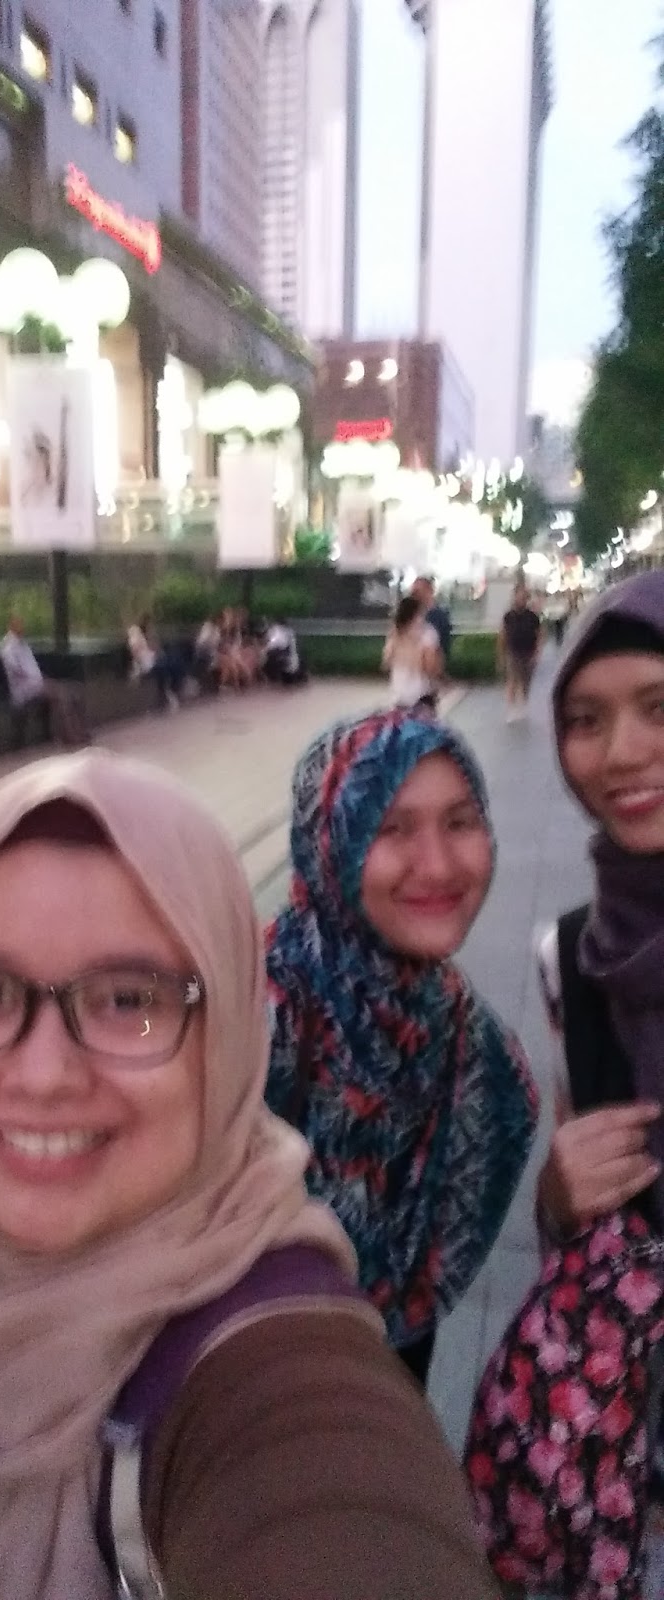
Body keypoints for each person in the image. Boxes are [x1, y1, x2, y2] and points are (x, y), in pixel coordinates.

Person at [0, 751, 499, 1600]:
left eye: (129, 1000)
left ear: (226, 1042)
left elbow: (342, 1514)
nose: (43, 1075)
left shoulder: (272, 1375)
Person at [266, 710, 538, 1386]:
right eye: (391, 828)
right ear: (330, 842)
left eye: (460, 822)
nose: (438, 865)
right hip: (246, 1386)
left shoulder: (466, 1034)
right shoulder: (248, 1002)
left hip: (393, 1374)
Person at [528, 570, 664, 1594]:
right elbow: (570, 1211)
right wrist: (558, 1191)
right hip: (636, 1426)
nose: (620, 752)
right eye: (586, 719)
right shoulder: (568, 956)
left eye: (658, 707)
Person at [0, 616, 91, 747]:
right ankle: (70, 736)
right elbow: (17, 671)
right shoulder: (8, 649)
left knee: (75, 691)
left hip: (37, 683)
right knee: (61, 695)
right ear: (10, 627)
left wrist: (42, 679)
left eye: (22, 624)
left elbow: (31, 667)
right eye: (18, 625)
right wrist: (37, 680)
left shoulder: (23, 644)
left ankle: (79, 730)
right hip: (25, 690)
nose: (22, 628)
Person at [382, 593, 443, 709]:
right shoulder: (427, 632)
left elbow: (386, 663)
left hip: (399, 695)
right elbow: (430, 668)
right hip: (421, 695)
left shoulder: (394, 634)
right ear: (417, 614)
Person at [498, 580, 543, 721]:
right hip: (513, 651)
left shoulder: (532, 616)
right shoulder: (508, 616)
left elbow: (539, 634)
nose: (521, 599)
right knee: (512, 680)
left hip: (528, 652)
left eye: (523, 597)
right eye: (518, 596)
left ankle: (523, 705)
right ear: (514, 597)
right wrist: (501, 654)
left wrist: (537, 652)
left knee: (526, 681)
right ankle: (511, 709)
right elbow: (502, 634)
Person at [126, 614, 184, 711]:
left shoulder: (145, 637)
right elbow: (136, 654)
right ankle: (170, 693)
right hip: (147, 662)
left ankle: (174, 689)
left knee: (174, 661)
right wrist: (137, 669)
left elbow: (153, 649)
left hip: (152, 659)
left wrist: (155, 649)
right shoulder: (135, 637)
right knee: (166, 667)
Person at [413, 574, 453, 671]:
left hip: (431, 666)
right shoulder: (412, 614)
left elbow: (443, 645)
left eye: (418, 591)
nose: (415, 596)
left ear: (429, 591)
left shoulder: (439, 616)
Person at [262, 616, 306, 686]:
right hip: (295, 665)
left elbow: (275, 643)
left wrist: (264, 650)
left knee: (268, 656)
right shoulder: (289, 631)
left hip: (288, 667)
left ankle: (272, 678)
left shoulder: (278, 630)